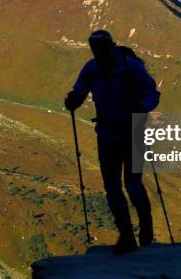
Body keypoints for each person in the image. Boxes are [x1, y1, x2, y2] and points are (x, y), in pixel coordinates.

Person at [64, 30, 160, 255]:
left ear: (110, 47)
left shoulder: (118, 68)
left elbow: (151, 95)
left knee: (126, 184)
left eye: (100, 49)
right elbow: (79, 91)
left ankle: (139, 229)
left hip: (124, 133)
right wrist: (74, 100)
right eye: (95, 50)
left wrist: (74, 100)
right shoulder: (98, 68)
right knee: (119, 186)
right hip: (116, 133)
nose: (98, 54)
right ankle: (130, 235)